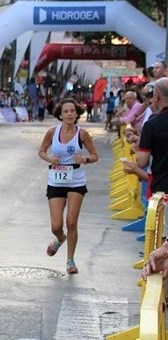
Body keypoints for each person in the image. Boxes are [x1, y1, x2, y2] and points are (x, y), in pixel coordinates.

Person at [38, 98, 98, 274]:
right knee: (56, 225)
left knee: (71, 222)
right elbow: (41, 151)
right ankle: (59, 238)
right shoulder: (51, 132)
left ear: (77, 113)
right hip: (56, 180)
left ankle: (70, 260)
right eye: (66, 111)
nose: (70, 114)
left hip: (76, 180)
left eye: (72, 111)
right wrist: (49, 158)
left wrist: (85, 159)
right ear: (60, 114)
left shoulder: (82, 134)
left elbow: (95, 155)